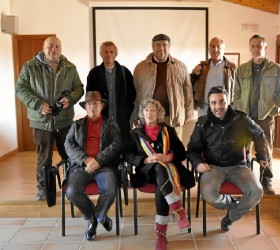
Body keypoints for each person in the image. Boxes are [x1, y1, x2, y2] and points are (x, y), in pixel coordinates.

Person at [187, 86, 269, 232]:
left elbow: (259, 134)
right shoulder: (202, 123)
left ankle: (230, 217)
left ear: (228, 101)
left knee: (256, 191)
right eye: (214, 103)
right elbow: (192, 149)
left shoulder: (241, 119)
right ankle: (233, 204)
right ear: (209, 104)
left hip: (238, 166)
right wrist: (198, 163)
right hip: (213, 167)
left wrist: (262, 156)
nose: (218, 106)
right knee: (209, 194)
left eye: (221, 102)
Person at [15, 36, 84, 201]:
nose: (54, 49)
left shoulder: (70, 67)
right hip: (41, 122)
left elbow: (79, 88)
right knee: (44, 158)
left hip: (65, 121)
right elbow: (20, 88)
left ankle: (72, 188)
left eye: (58, 46)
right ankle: (44, 191)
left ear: (61, 48)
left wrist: (71, 99)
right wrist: (38, 104)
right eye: (50, 46)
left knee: (69, 155)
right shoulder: (30, 67)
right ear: (43, 48)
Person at [124, 98, 195, 250]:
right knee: (158, 167)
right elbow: (127, 155)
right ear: (142, 113)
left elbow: (182, 152)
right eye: (146, 110)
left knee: (160, 180)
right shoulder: (135, 133)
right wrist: (146, 159)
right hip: (146, 172)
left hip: (169, 172)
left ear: (159, 113)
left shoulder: (168, 130)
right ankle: (179, 211)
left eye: (153, 110)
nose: (149, 113)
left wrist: (168, 157)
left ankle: (160, 235)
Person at [64, 91, 123, 241]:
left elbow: (116, 145)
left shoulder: (111, 125)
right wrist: (85, 159)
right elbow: (68, 145)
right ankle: (95, 218)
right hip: (81, 166)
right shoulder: (76, 125)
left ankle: (99, 217)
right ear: (85, 107)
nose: (92, 106)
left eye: (95, 103)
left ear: (101, 106)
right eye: (89, 104)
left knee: (110, 190)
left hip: (104, 166)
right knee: (71, 192)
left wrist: (97, 160)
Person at [234, 34, 280, 195]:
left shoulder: (275, 69)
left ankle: (267, 181)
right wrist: (240, 113)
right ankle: (247, 181)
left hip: (265, 117)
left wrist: (272, 112)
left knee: (265, 149)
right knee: (244, 150)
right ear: (250, 48)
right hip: (246, 117)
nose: (257, 48)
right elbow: (235, 93)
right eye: (254, 46)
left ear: (265, 48)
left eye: (260, 45)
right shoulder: (241, 69)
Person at [131, 33, 194, 140]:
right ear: (152, 47)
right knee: (151, 148)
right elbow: (135, 93)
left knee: (174, 147)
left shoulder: (181, 67)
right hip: (149, 117)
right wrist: (136, 115)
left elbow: (187, 92)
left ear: (169, 46)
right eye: (158, 45)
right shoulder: (140, 68)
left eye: (164, 45)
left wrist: (189, 113)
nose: (161, 48)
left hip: (173, 116)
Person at [86, 41, 136, 147]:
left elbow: (132, 95)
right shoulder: (93, 73)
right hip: (102, 118)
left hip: (121, 118)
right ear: (101, 54)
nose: (109, 54)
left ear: (115, 54)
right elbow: (89, 97)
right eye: (106, 52)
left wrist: (127, 112)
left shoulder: (125, 72)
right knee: (104, 146)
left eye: (111, 52)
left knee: (123, 146)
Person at [190, 37, 236, 117]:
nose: (215, 49)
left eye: (218, 47)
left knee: (223, 129)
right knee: (204, 129)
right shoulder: (202, 66)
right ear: (209, 49)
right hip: (204, 109)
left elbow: (237, 89)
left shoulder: (232, 68)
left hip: (223, 109)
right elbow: (190, 83)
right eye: (212, 46)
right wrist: (194, 75)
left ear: (223, 49)